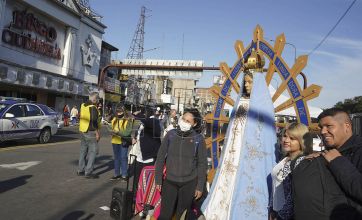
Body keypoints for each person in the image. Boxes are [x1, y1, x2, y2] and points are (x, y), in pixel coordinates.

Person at [201, 71, 277, 219]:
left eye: (250, 82)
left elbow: (266, 134)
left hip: (253, 153)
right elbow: (233, 127)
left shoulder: (264, 104)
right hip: (234, 150)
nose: (246, 85)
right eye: (245, 82)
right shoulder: (240, 101)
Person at [293, 108, 362, 219]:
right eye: (321, 127)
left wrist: (337, 161)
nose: (323, 131)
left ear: (347, 127)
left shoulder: (358, 151)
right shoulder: (325, 154)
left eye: (329, 126)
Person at [154, 108, 207, 220]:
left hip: (189, 183)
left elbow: (202, 164)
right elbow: (160, 157)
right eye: (183, 119)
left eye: (188, 121)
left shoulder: (198, 139)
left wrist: (200, 186)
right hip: (170, 181)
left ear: (194, 123)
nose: (184, 122)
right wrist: (158, 178)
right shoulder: (171, 135)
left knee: (181, 216)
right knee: (165, 215)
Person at [270, 123, 313, 220]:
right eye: (285, 136)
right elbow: (275, 185)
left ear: (302, 141)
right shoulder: (284, 159)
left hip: (289, 215)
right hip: (277, 212)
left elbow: (294, 194)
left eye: (292, 138)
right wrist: (272, 209)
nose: (286, 140)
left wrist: (281, 216)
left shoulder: (302, 162)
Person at [132, 107, 162, 192]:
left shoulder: (154, 121)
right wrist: (135, 137)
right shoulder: (144, 122)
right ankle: (135, 196)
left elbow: (145, 120)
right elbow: (139, 132)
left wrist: (137, 114)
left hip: (148, 157)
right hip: (139, 155)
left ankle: (145, 198)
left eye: (143, 113)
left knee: (146, 180)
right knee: (137, 178)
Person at [77, 91, 101, 178]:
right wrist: (97, 133)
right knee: (93, 152)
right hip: (90, 132)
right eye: (98, 99)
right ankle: (88, 172)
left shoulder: (83, 105)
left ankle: (80, 170)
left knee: (83, 151)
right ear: (95, 99)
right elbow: (94, 122)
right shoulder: (93, 108)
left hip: (82, 130)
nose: (98, 101)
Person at [109, 105, 134, 181]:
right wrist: (111, 131)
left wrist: (117, 132)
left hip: (124, 141)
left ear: (124, 111)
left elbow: (127, 132)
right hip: (115, 141)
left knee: (123, 158)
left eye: (120, 111)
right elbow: (111, 128)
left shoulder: (129, 120)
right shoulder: (114, 119)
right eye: (117, 111)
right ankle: (116, 174)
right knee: (116, 158)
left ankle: (124, 175)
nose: (119, 112)